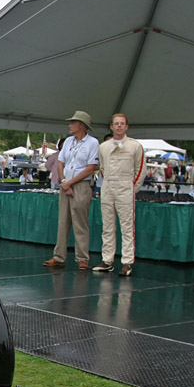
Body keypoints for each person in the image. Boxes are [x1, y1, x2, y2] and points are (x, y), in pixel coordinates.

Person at [43, 111, 99, 270]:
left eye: (72, 123)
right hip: (66, 183)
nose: (69, 125)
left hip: (81, 185)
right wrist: (64, 181)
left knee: (80, 222)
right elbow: (60, 162)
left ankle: (82, 258)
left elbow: (91, 168)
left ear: (81, 125)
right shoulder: (68, 141)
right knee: (63, 221)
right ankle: (59, 256)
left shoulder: (93, 143)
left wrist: (70, 183)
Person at [91, 114, 145, 276]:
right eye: (116, 124)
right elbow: (102, 168)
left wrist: (132, 188)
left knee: (127, 227)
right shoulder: (104, 147)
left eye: (122, 124)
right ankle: (107, 260)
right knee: (107, 227)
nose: (119, 126)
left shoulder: (135, 146)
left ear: (127, 127)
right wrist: (108, 184)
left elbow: (140, 169)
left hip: (126, 188)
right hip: (108, 187)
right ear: (111, 127)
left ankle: (127, 262)